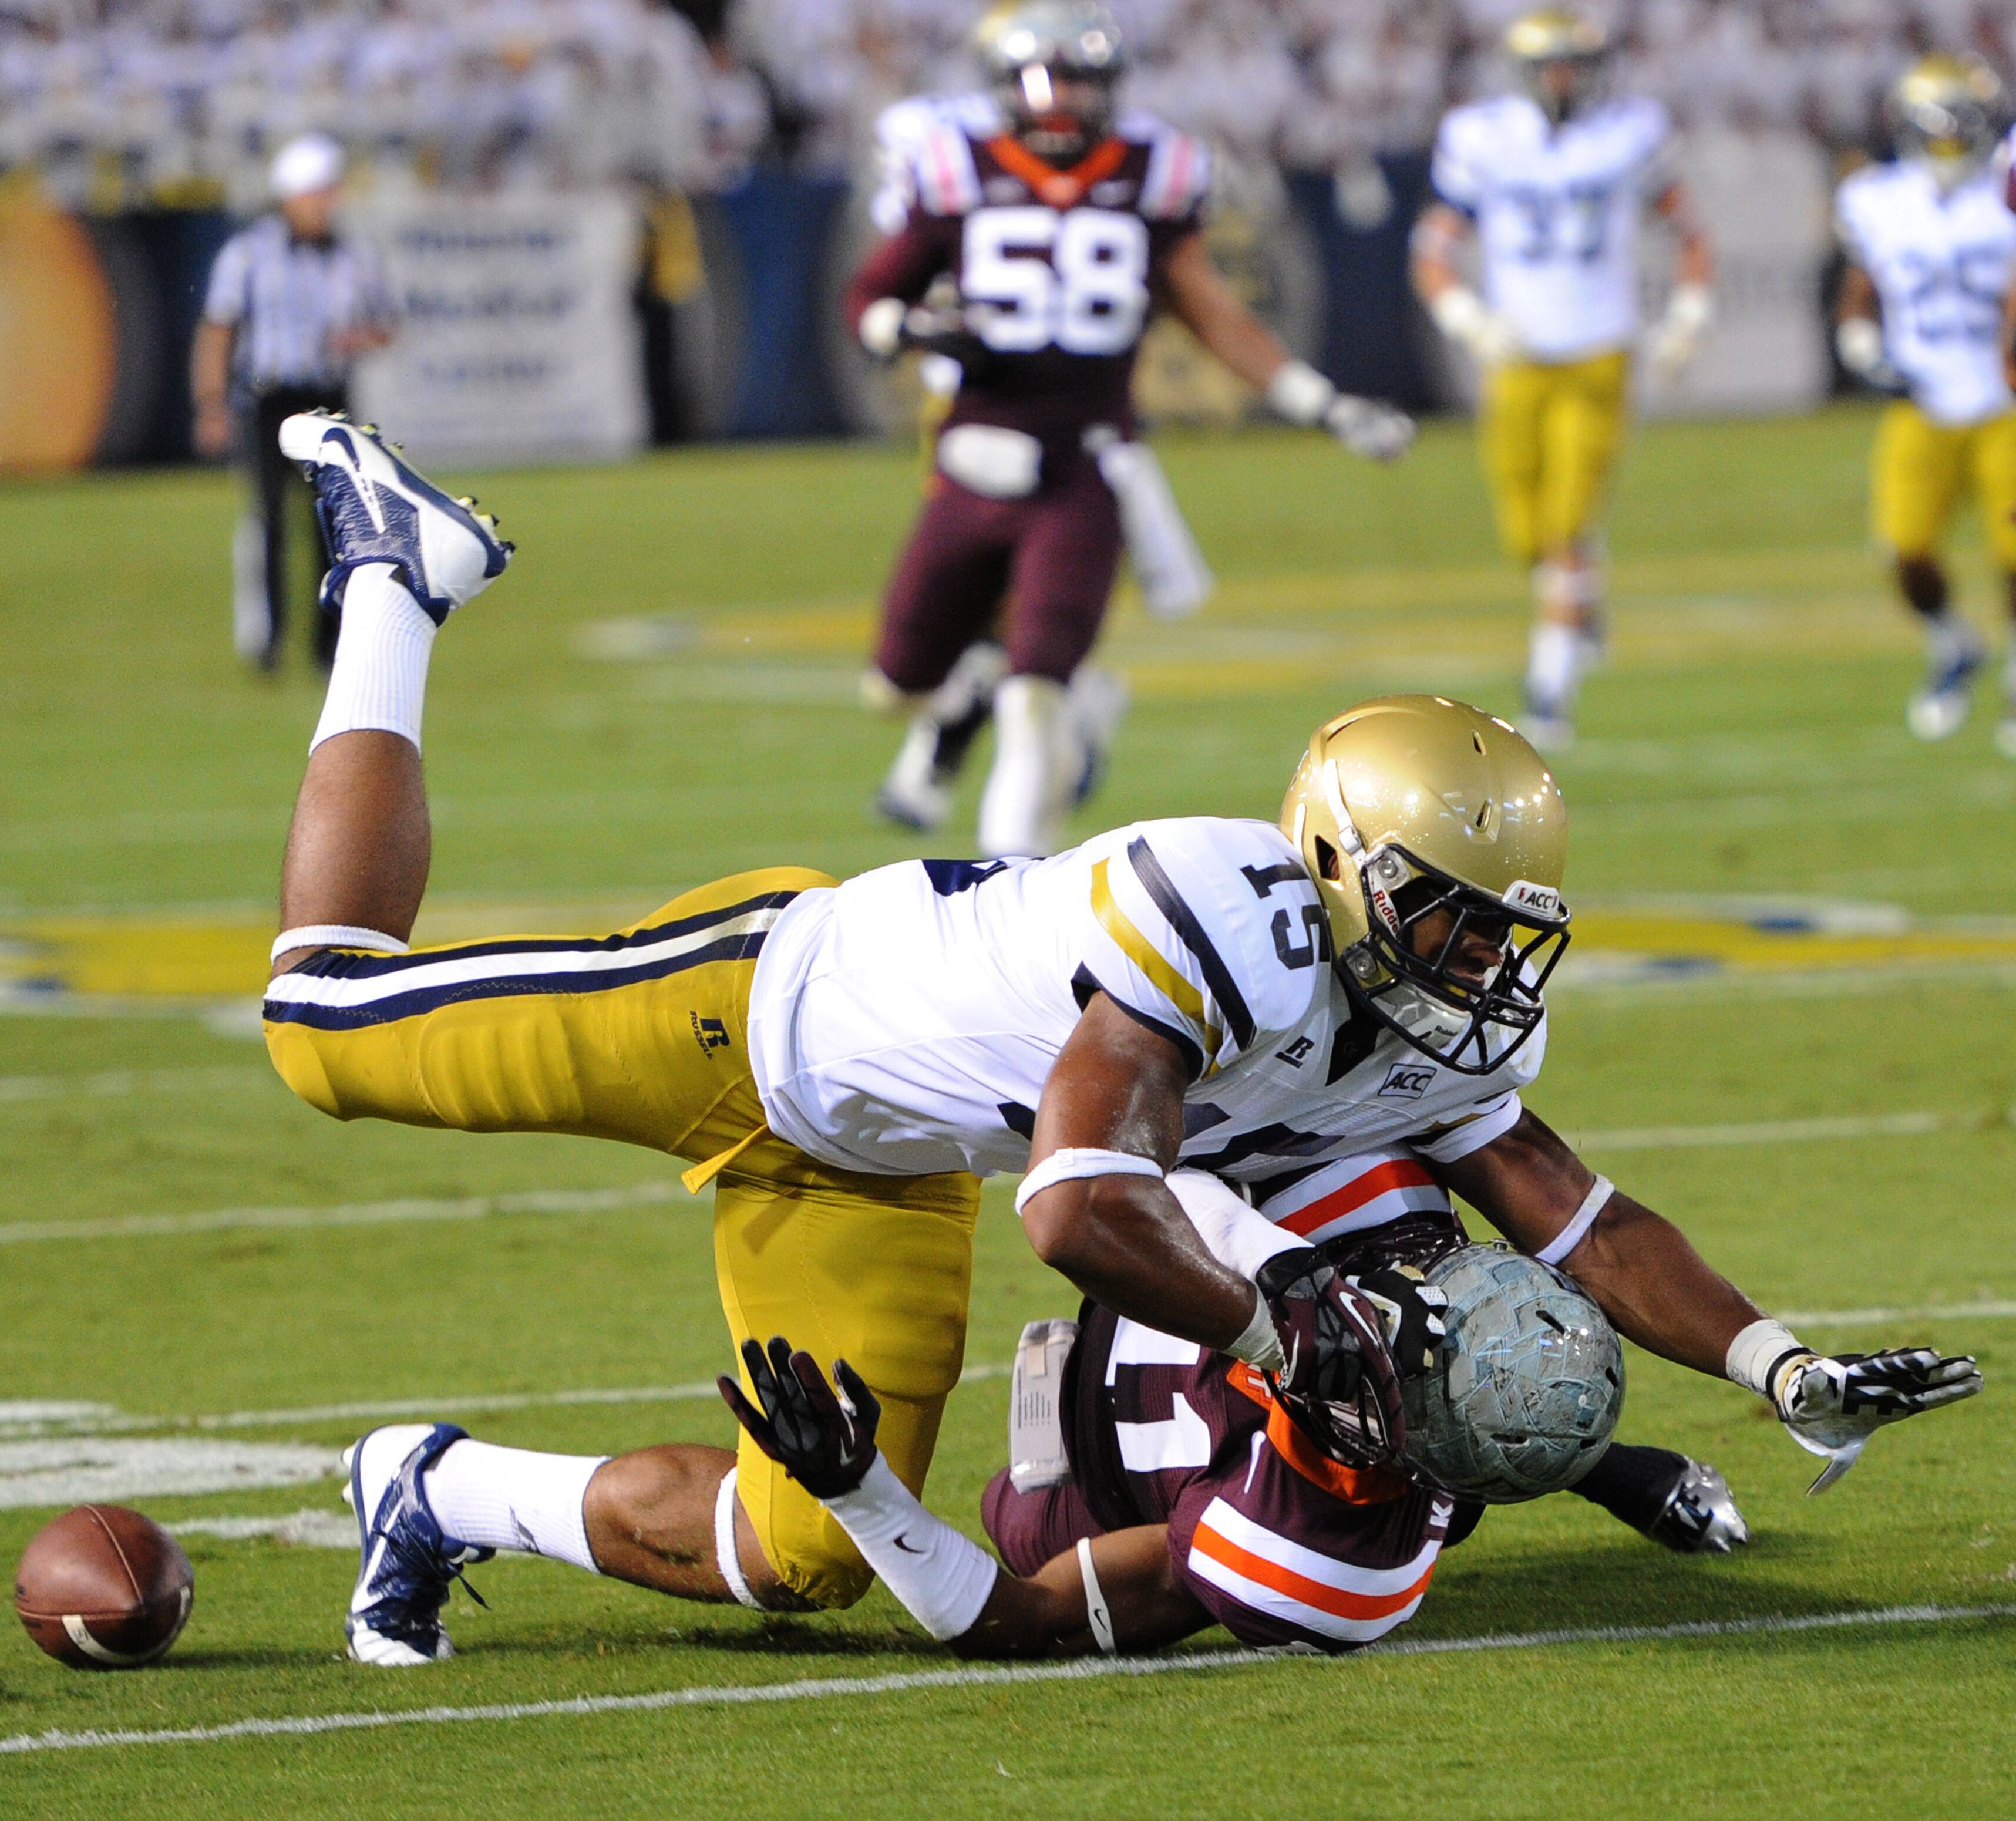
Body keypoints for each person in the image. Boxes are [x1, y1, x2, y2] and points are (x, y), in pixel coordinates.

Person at [257, 410, 1980, 1664]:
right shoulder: (1227, 898)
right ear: (1336, 862)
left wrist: (1771, 1365)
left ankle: (433, 1486)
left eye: (1500, 920)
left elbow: (1566, 1207)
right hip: (750, 1008)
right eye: (1450, 908)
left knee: (801, 1552)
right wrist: (1277, 1311)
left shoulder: (1414, 1011)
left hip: (877, 1157)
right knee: (316, 1023)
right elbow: (1076, 1193)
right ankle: (400, 589)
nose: (1479, 954)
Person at [338, 1191, 1748, 1664]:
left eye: (1411, 1369)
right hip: (1126, 1272)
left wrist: (864, 1488)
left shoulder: (1322, 1552)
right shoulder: (1381, 1224)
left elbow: (1006, 1616)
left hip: (1078, 1478)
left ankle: (432, 1484)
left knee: (793, 1551)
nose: (1414, 1302)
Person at [846, 0, 1416, 859]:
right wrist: (910, 331)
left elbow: (1213, 313)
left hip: (1084, 468)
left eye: (1080, 79)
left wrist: (1321, 402)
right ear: (1004, 89)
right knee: (892, 687)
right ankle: (993, 699)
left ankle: (1014, 892)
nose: (1061, 101)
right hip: (971, 462)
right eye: (1045, 80)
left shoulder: (1155, 172)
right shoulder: (954, 167)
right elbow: (870, 296)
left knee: (1033, 695)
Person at [1410, 8, 1715, 751]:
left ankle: (1550, 686)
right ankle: (1582, 599)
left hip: (1598, 351)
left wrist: (1687, 314)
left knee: (1564, 525)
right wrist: (1466, 318)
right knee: (1524, 529)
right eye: (1551, 65)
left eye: (1575, 64)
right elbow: (1434, 245)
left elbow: (1690, 231)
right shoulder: (1482, 136)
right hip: (1515, 355)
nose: (1564, 79)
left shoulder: (1631, 132)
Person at [1837, 56, 2016, 750]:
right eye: (1943, 129)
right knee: (1906, 553)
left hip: (2004, 405)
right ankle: (1955, 644)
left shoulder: (2004, 192)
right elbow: (1861, 286)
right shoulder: (1875, 197)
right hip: (1922, 401)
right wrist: (1859, 342)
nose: (1955, 143)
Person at [191, 132, 396, 672]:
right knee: (268, 521)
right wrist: (211, 404)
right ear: (291, 195)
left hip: (328, 397)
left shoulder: (356, 252)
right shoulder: (249, 253)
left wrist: (360, 338)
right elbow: (218, 329)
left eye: (330, 192)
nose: (325, 204)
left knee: (333, 524)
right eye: (316, 192)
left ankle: (330, 645)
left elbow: (385, 325)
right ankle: (267, 642)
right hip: (268, 397)